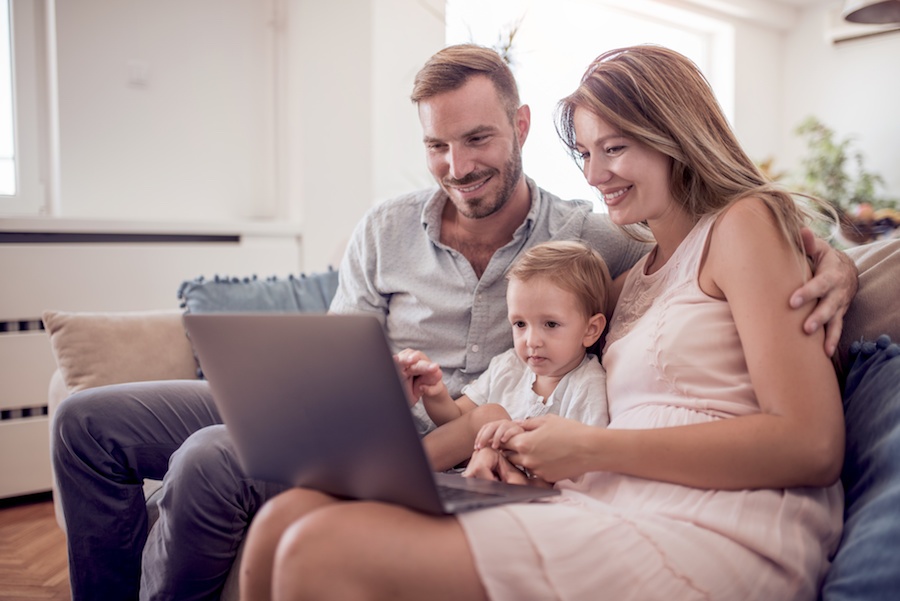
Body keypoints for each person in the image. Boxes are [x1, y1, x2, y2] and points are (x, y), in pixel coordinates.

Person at [50, 44, 855, 601]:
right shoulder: (395, 229)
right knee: (92, 425)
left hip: (498, 449)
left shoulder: (596, 240)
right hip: (382, 420)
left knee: (220, 470)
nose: (460, 164)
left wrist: (840, 258)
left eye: (477, 138)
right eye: (438, 145)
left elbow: (750, 247)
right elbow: (334, 354)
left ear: (521, 127)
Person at [396, 239, 611, 474]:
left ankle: (401, 472)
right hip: (462, 472)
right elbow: (455, 421)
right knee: (489, 415)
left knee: (492, 417)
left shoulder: (587, 385)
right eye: (520, 324)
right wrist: (435, 392)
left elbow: (585, 462)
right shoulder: (509, 365)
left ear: (590, 330)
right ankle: (400, 469)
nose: (531, 340)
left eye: (550, 324)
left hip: (525, 483)